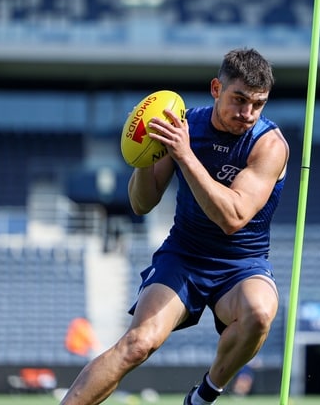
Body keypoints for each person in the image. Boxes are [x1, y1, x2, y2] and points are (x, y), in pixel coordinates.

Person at [59, 48, 289, 405]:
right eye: (239, 99)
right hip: (184, 255)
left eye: (257, 104)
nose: (247, 113)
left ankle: (204, 395)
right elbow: (141, 203)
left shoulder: (269, 146)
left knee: (259, 313)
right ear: (216, 88)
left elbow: (233, 218)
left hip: (241, 264)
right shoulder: (184, 127)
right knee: (137, 344)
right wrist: (145, 157)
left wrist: (185, 155)